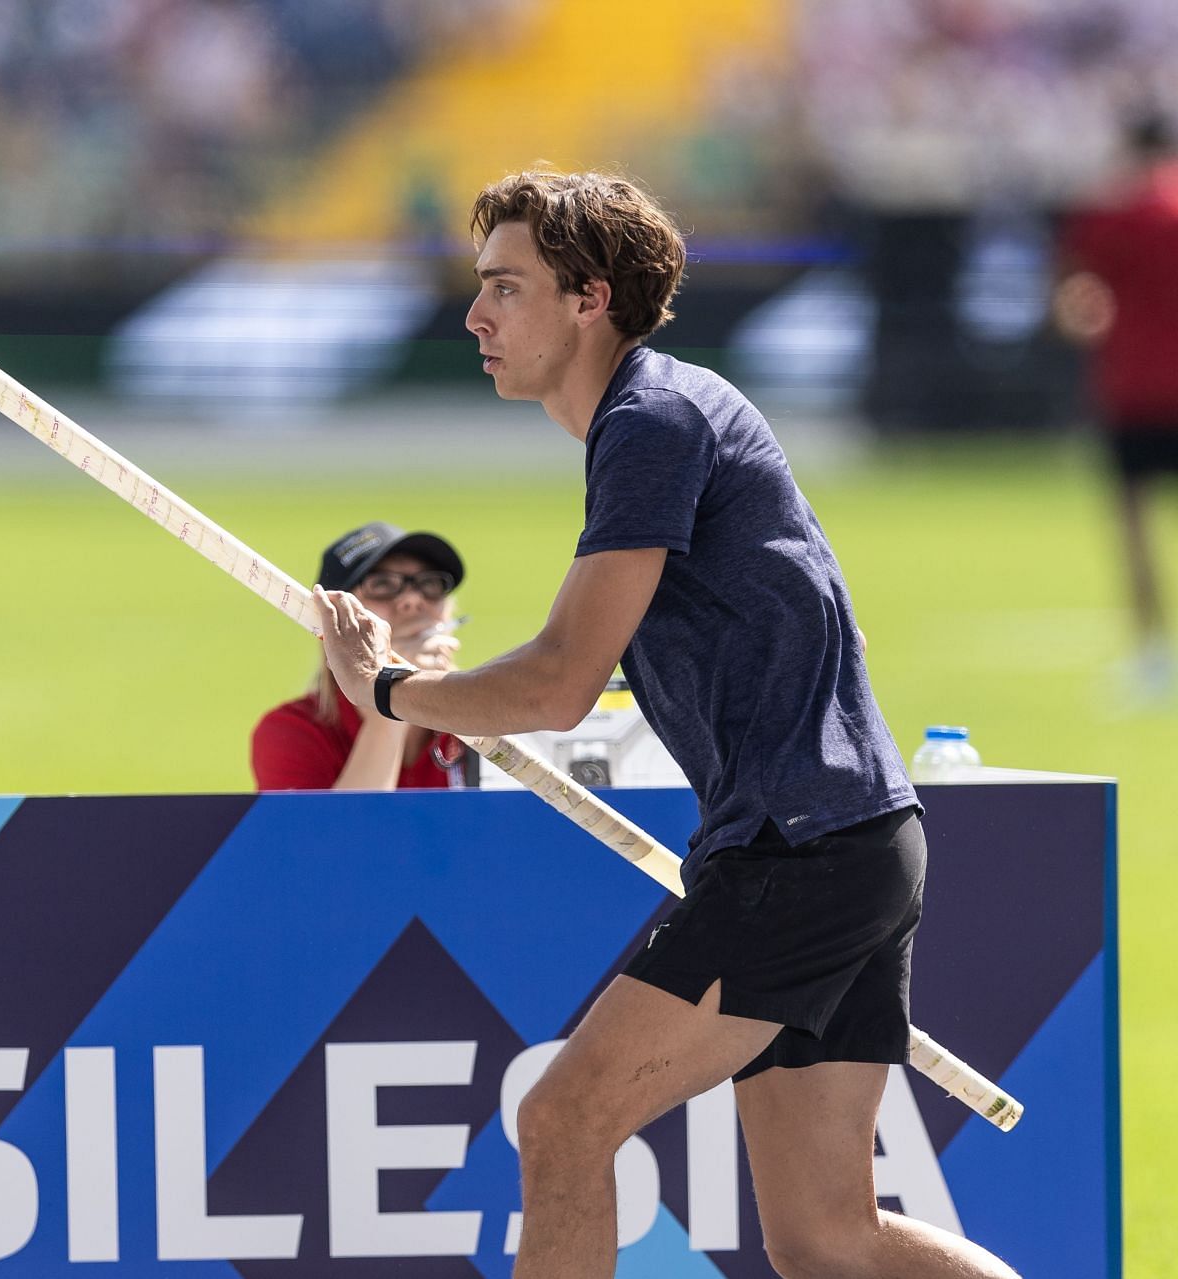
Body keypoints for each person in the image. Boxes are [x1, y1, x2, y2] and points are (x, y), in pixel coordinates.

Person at [313, 170, 1020, 1279]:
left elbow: (556, 682)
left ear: (588, 299)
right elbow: (824, 633)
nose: (475, 315)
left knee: (562, 1119)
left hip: (803, 852)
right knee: (825, 1237)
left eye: (505, 287)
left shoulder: (652, 420)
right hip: (848, 839)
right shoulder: (668, 414)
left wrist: (391, 692)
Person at [1055, 110, 1178, 699]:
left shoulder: (1115, 213)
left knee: (1135, 523)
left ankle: (1153, 654)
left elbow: (1079, 301)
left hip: (1135, 388)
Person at [251, 522, 470, 790]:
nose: (413, 599)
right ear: (332, 621)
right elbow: (353, 829)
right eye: (382, 584)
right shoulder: (290, 731)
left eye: (430, 584)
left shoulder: (479, 718)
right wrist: (391, 694)